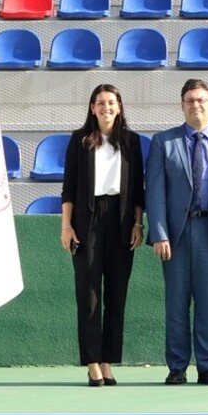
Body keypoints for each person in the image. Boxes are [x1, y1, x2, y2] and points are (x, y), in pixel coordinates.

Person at [145, 78, 208, 386]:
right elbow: (155, 191)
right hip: (176, 232)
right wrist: (159, 232)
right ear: (182, 105)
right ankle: (177, 366)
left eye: (201, 100)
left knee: (207, 303)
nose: (196, 105)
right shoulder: (163, 141)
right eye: (190, 100)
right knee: (176, 303)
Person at [60, 84, 145, 387]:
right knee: (90, 295)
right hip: (87, 220)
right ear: (92, 108)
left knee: (117, 295)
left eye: (111, 102)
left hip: (121, 222)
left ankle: (109, 361)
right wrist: (66, 226)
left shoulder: (132, 142)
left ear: (119, 107)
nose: (106, 108)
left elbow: (137, 190)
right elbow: (68, 187)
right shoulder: (80, 141)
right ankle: (92, 362)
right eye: (100, 103)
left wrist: (138, 224)